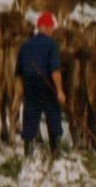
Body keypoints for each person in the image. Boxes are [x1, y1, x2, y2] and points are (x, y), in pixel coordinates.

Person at [15, 11, 65, 158]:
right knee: (53, 116)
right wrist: (60, 91)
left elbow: (18, 74)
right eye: (52, 28)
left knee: (30, 117)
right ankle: (56, 154)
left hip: (30, 86)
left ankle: (28, 154)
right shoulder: (52, 45)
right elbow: (55, 71)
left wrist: (19, 95)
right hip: (47, 85)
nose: (52, 31)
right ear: (47, 27)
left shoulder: (25, 46)